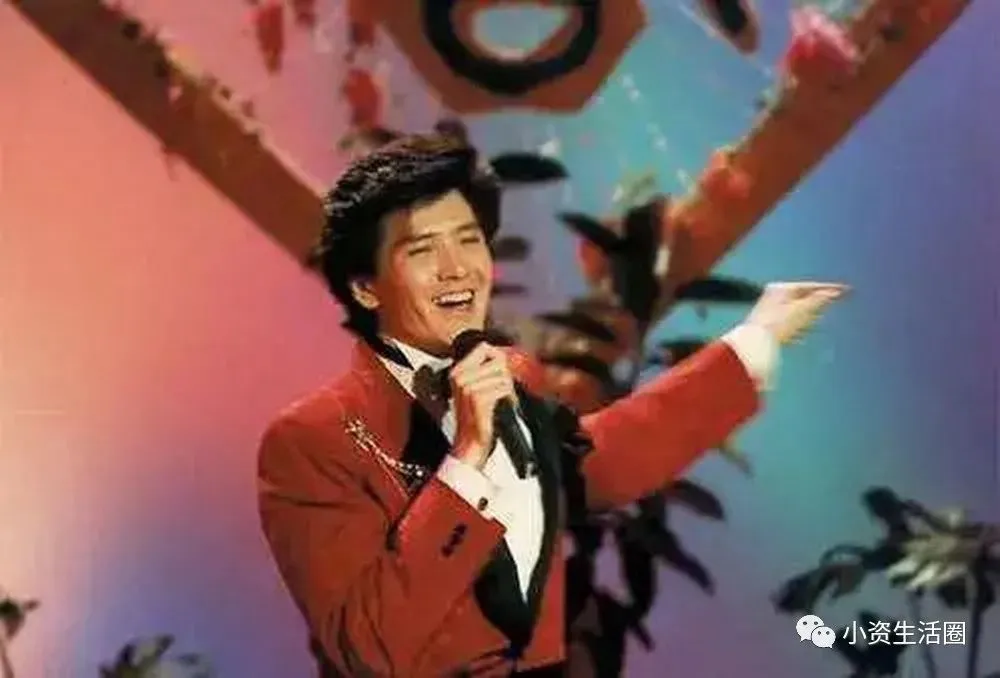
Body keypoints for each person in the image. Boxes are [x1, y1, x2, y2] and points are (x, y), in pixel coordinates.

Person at [256, 133, 846, 677]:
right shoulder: (311, 440)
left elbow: (596, 463)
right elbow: (367, 644)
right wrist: (468, 461)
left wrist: (755, 341)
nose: (458, 269)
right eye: (424, 250)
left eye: (469, 240)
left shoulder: (511, 374)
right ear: (365, 287)